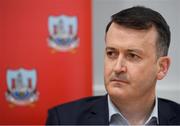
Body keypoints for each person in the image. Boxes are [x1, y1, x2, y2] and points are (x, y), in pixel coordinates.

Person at [46, 6, 180, 125]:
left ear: (162, 67)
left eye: (132, 56)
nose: (117, 68)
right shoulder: (64, 120)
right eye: (111, 53)